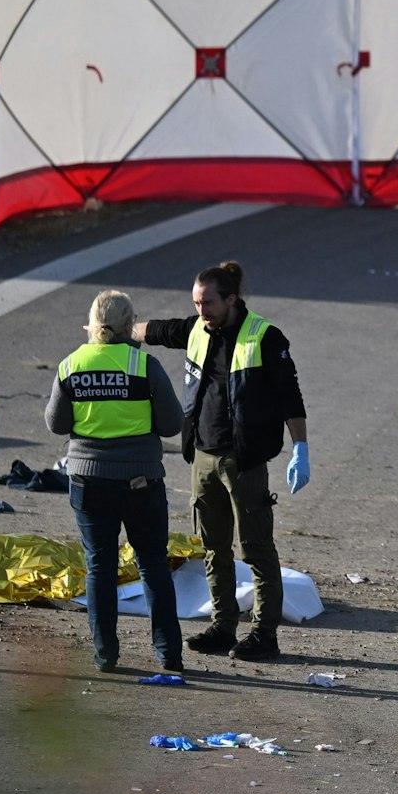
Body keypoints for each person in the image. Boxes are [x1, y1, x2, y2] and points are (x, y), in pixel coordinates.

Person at [133, 261, 309, 662]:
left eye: (208, 303)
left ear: (231, 300)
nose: (201, 311)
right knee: (214, 548)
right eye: (196, 303)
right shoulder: (198, 329)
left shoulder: (264, 337)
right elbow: (157, 330)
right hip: (203, 458)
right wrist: (115, 328)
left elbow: (290, 396)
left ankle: (264, 635)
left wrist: (302, 448)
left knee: (257, 549)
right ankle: (223, 624)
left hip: (243, 462)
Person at [46, 290, 186, 674]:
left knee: (100, 567)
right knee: (153, 565)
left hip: (89, 483)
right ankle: (169, 654)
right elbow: (173, 424)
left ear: (92, 325)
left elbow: (56, 424)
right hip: (141, 483)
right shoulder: (145, 366)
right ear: (130, 326)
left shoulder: (71, 365)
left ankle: (106, 655)